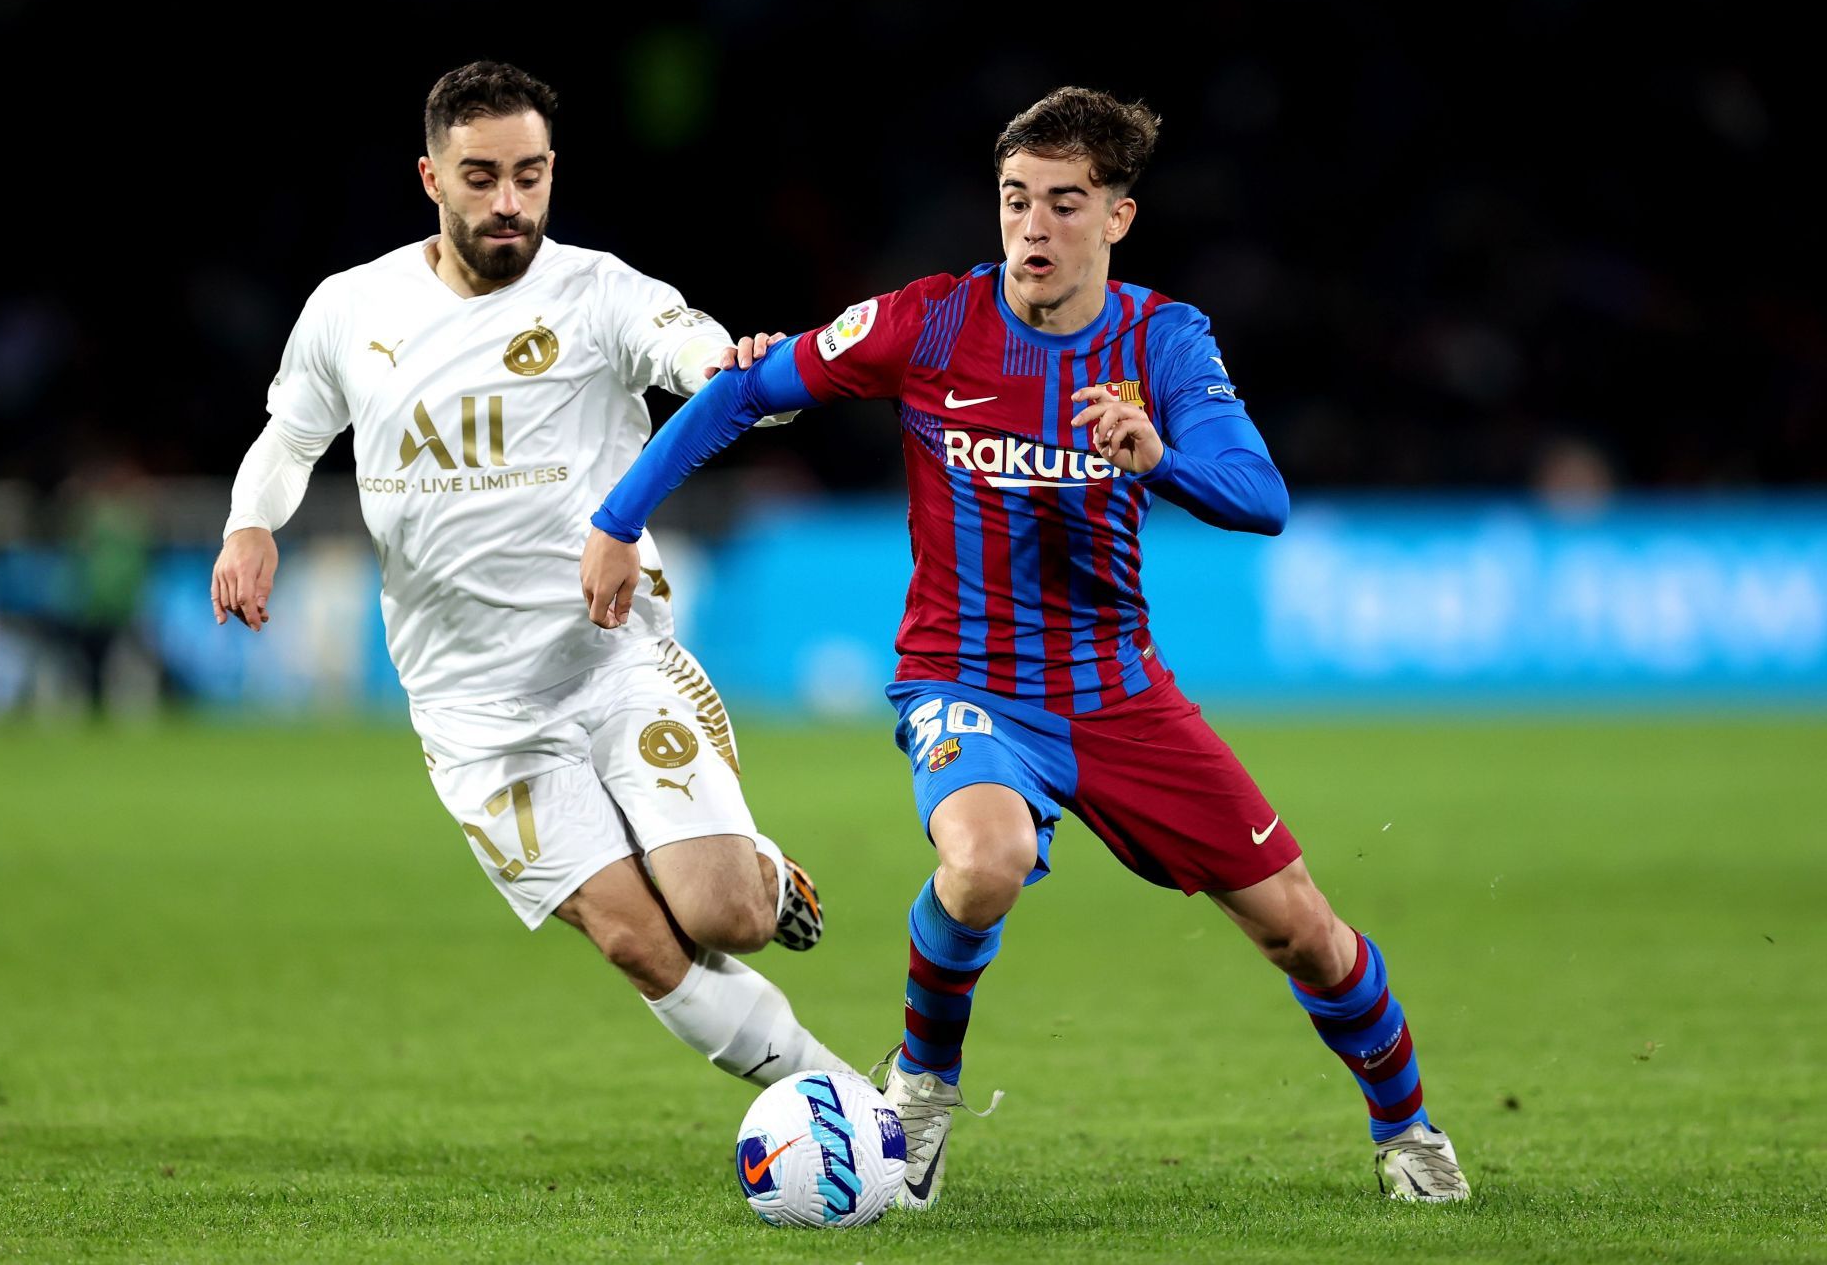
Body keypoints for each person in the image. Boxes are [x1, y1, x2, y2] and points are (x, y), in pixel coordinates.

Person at [580, 86, 1471, 1205]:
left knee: (1303, 931)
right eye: (1015, 201)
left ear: (1118, 218)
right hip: (964, 681)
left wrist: (1156, 456)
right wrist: (617, 521)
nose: (1034, 228)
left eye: (1064, 203)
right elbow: (744, 391)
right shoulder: (931, 321)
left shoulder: (1165, 338)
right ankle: (922, 1086)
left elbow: (1261, 496)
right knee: (984, 858)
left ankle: (1408, 1131)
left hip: (1119, 694)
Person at [211, 60, 843, 1092]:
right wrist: (249, 525)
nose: (509, 202)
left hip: (612, 659)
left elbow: (700, 357)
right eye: (481, 177)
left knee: (722, 913)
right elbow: (288, 439)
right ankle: (843, 1105)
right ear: (431, 178)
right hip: (473, 710)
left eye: (530, 175)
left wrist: (748, 373)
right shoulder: (350, 308)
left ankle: (761, 877)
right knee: (640, 941)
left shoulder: (600, 293)